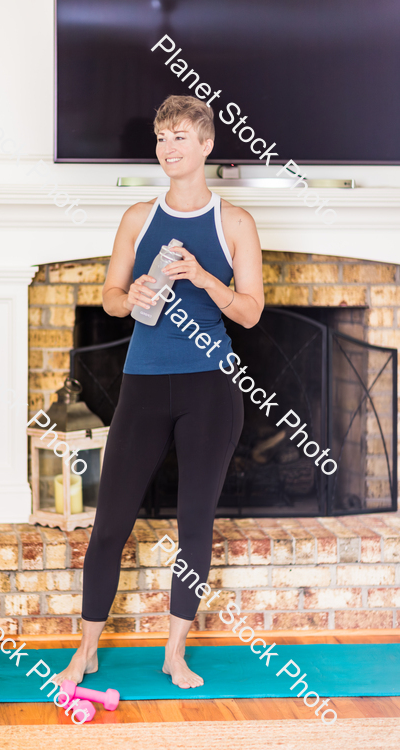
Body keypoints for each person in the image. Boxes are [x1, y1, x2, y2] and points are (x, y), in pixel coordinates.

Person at [54, 94, 264, 690]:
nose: (167, 148)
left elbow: (250, 313)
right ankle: (87, 650)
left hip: (210, 389)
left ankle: (174, 652)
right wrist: (136, 294)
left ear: (206, 146)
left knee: (195, 522)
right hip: (143, 384)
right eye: (160, 137)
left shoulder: (235, 223)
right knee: (110, 523)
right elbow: (109, 297)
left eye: (179, 137)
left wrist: (202, 278)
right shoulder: (138, 217)